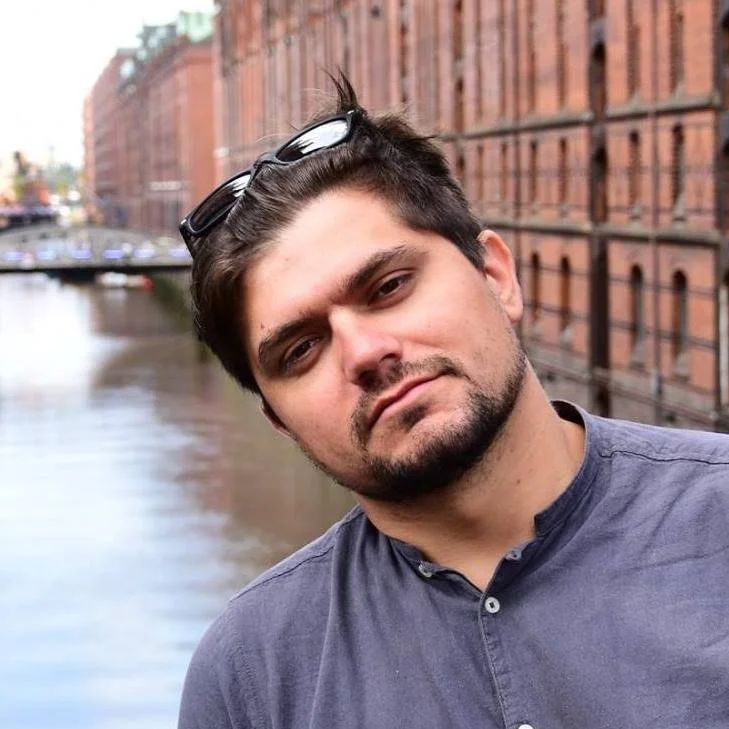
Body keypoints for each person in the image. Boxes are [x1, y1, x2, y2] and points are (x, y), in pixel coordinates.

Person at [177, 75, 729, 729]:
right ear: (277, 419)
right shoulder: (252, 678)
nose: (364, 352)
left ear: (495, 275)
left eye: (389, 286)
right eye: (300, 350)